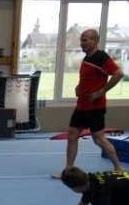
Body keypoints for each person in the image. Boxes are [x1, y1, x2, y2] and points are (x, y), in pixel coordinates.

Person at [52, 29, 124, 178]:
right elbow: (89, 78)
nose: (82, 43)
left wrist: (101, 92)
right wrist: (79, 87)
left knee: (99, 139)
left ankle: (118, 168)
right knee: (72, 135)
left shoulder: (101, 57)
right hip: (82, 105)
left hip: (95, 107)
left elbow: (118, 74)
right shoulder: (87, 58)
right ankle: (68, 171)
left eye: (85, 40)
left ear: (95, 41)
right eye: (81, 40)